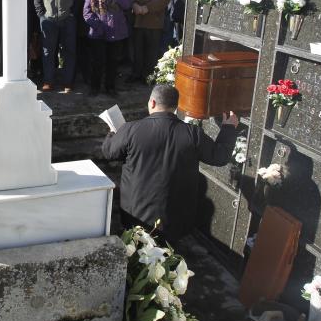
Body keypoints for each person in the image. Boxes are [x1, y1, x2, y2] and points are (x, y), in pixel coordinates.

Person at [101, 85, 239, 243]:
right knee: (170, 258)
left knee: (137, 256)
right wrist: (228, 128)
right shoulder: (192, 133)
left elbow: (109, 152)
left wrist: (113, 133)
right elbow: (219, 156)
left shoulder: (131, 129)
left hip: (136, 214)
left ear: (152, 103)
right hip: (176, 217)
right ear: (175, 107)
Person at [33, 0, 83, 93]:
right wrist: (41, 13)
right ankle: (48, 81)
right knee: (48, 51)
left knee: (69, 51)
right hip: (48, 19)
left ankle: (68, 82)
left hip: (67, 18)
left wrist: (72, 13)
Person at [83, 0, 132, 96]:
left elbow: (127, 5)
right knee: (97, 61)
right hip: (98, 31)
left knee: (113, 62)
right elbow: (87, 11)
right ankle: (95, 87)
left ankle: (110, 87)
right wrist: (98, 26)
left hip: (116, 31)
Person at [127, 0, 171, 81]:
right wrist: (134, 4)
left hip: (153, 22)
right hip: (137, 20)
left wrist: (147, 8)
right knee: (136, 50)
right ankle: (135, 74)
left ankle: (148, 76)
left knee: (151, 51)